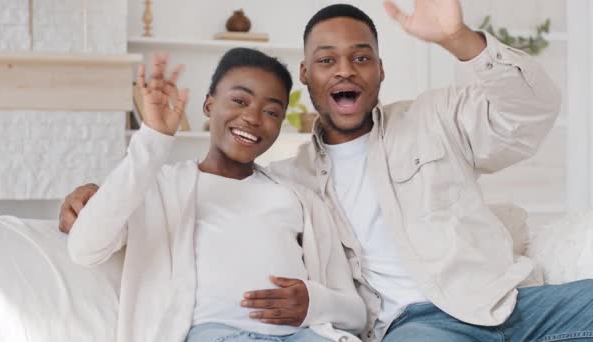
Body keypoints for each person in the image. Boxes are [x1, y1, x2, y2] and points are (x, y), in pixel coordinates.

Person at [61, 1, 593, 341]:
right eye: (327, 60)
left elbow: (531, 110)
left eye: (361, 58)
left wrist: (458, 40)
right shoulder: (292, 182)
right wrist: (100, 191)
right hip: (418, 326)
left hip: (509, 301)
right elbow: (186, 207)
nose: (345, 69)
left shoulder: (434, 119)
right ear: (308, 78)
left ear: (380, 70)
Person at [66, 48, 365, 342]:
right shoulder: (161, 187)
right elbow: (84, 247)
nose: (252, 117)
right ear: (209, 105)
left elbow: (355, 312)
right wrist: (153, 139)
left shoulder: (299, 198)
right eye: (239, 100)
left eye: (271, 111)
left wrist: (313, 303)